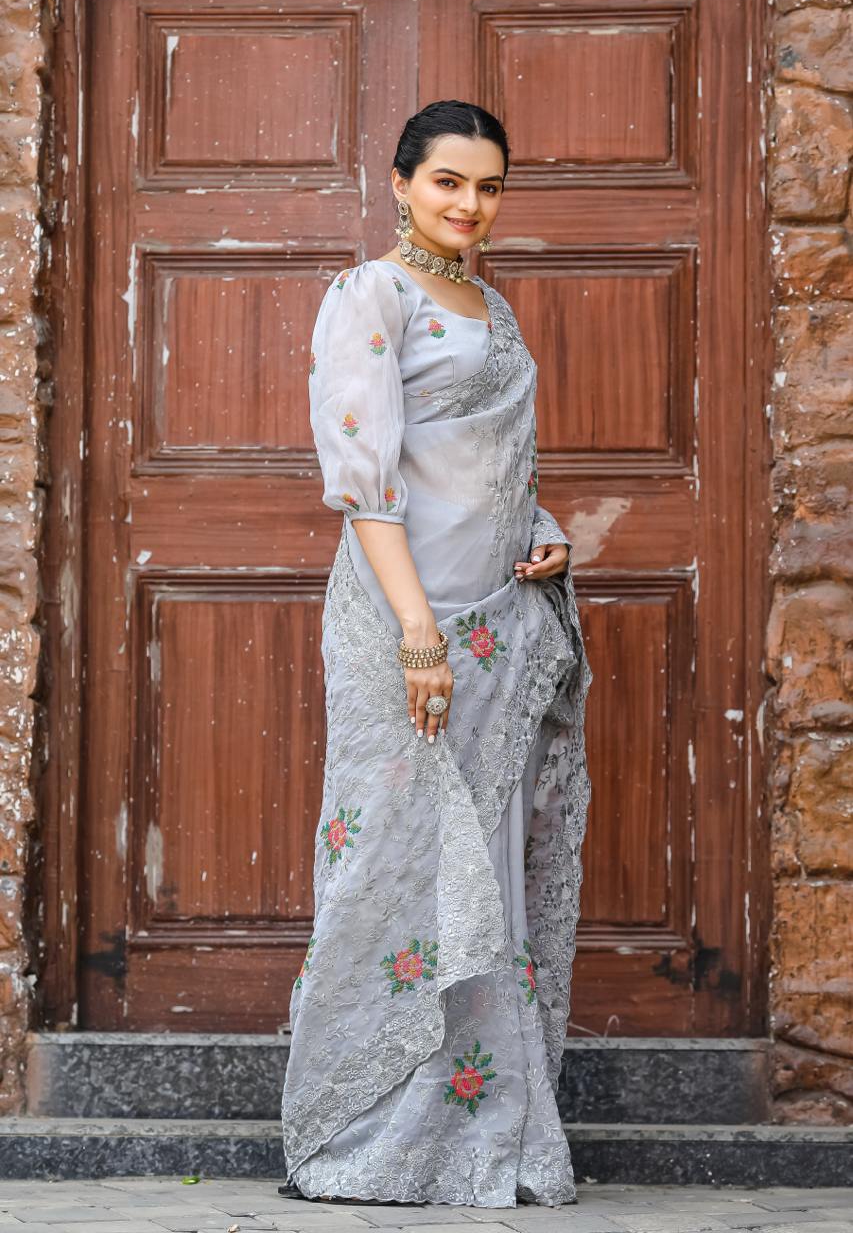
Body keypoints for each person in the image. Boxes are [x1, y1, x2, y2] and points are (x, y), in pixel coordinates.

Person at [280, 99, 592, 1208]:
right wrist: (416, 630)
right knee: (392, 858)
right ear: (402, 183)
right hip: (405, 620)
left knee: (482, 873)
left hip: (497, 623)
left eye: (488, 186)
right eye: (448, 181)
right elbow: (365, 477)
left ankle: (477, 1134)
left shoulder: (491, 306)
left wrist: (541, 530)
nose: (469, 204)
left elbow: (490, 464)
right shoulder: (372, 293)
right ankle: (363, 1130)